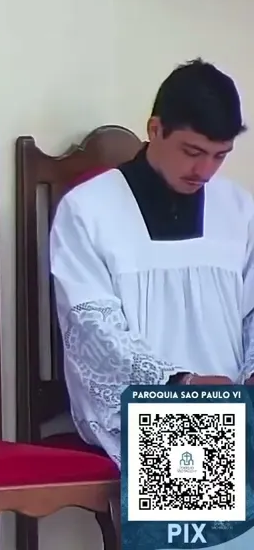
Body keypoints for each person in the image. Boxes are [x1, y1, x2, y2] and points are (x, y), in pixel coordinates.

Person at [52, 58, 254, 467]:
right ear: (155, 129)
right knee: (198, 462)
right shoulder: (88, 209)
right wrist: (179, 383)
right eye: (192, 152)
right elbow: (93, 330)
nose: (205, 171)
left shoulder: (238, 208)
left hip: (236, 401)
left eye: (220, 156)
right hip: (145, 407)